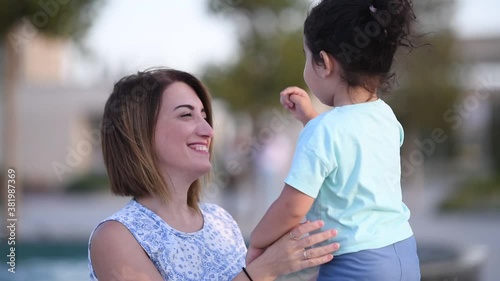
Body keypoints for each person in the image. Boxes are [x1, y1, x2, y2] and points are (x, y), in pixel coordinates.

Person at [88, 68, 340, 281]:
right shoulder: (115, 237)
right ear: (139, 132)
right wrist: (266, 268)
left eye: (205, 117)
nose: (208, 130)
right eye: (186, 115)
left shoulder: (221, 221)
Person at [248, 0, 421, 280]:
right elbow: (350, 144)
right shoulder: (385, 116)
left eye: (307, 57)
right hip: (403, 253)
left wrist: (257, 241)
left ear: (324, 63)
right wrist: (310, 118)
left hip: (356, 263)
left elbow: (292, 208)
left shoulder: (324, 131)